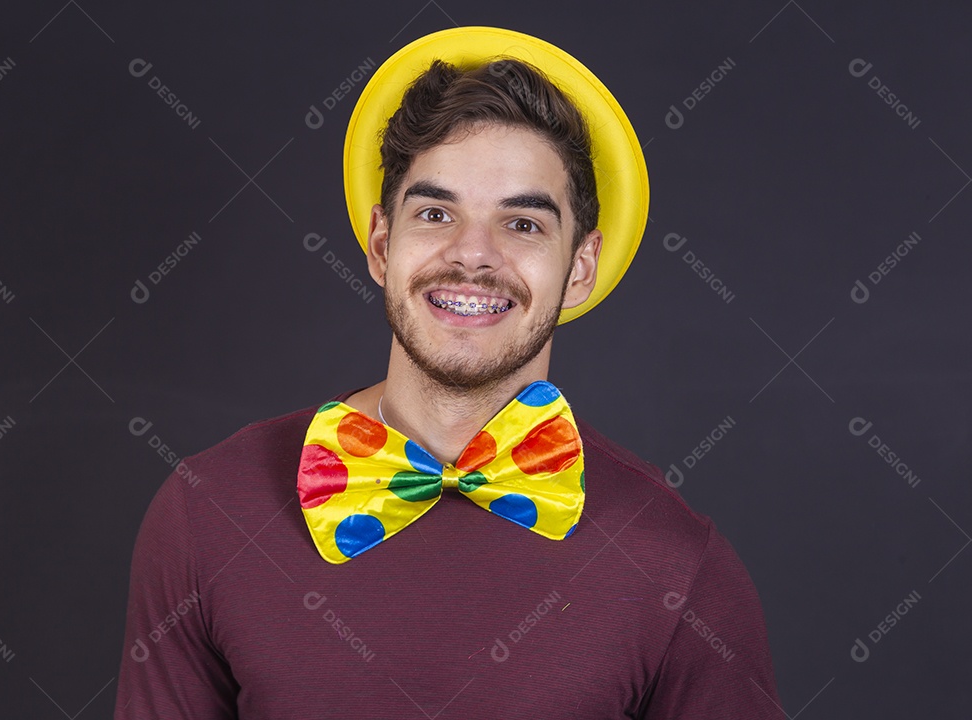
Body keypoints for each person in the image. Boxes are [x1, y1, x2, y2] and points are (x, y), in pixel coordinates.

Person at [115, 26, 783, 718]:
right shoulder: (207, 515)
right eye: (436, 213)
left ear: (580, 267)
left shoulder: (679, 567)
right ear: (382, 244)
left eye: (523, 224)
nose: (472, 254)